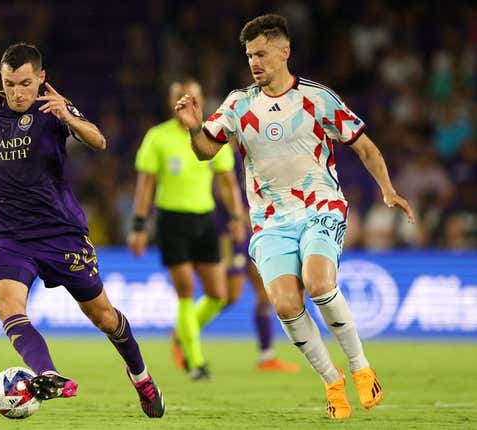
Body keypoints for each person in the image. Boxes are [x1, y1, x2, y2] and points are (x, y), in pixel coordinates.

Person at [175, 15, 414, 419]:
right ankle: (332, 383)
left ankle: (360, 367)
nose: (254, 62)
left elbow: (365, 147)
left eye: (262, 54)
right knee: (286, 304)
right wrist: (193, 127)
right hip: (269, 221)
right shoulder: (238, 104)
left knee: (318, 283)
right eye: (250, 55)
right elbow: (204, 150)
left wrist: (388, 190)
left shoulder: (318, 98)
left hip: (320, 206)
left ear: (284, 52)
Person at [0, 42, 164, 418]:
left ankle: (141, 377)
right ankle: (47, 373)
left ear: (41, 78)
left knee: (103, 316)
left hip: (60, 234)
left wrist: (69, 116)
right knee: (4, 303)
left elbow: (99, 141)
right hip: (6, 237)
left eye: (25, 83)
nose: (17, 93)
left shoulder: (52, 109)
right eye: (9, 84)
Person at [127, 79, 246, 380]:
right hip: (171, 222)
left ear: (201, 99)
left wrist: (235, 217)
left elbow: (227, 181)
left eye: (191, 96)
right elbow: (145, 184)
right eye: (179, 96)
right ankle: (196, 362)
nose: (184, 101)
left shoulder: (212, 135)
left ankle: (182, 331)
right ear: (171, 101)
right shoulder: (158, 137)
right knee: (186, 291)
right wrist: (139, 225)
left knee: (218, 294)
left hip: (205, 221)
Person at [213, 149, 298, 373]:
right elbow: (220, 188)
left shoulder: (256, 152)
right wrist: (237, 217)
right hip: (231, 231)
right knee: (229, 296)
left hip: (252, 229)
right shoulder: (225, 155)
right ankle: (184, 331)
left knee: (264, 291)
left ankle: (266, 356)